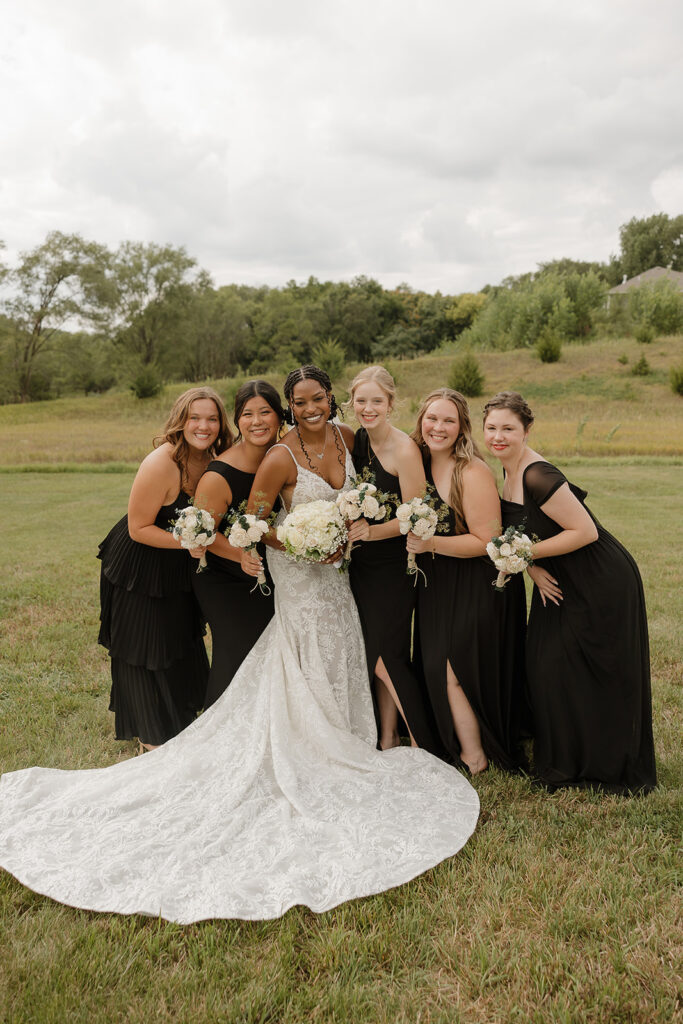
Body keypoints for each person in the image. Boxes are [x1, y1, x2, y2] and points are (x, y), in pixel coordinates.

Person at [0, 366, 479, 923]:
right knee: (297, 650)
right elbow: (251, 521)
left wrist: (348, 530)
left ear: (330, 400)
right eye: (298, 402)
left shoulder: (351, 441)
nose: (309, 409)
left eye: (315, 399)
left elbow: (374, 490)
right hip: (299, 572)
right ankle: (304, 740)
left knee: (341, 645)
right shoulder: (279, 455)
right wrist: (298, 540)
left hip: (338, 576)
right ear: (291, 409)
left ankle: (349, 734)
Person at [482, 391, 656, 794]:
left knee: (596, 670)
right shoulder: (507, 471)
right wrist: (533, 567)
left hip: (599, 578)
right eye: (491, 428)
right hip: (559, 579)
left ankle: (608, 763)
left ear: (526, 430)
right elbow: (523, 534)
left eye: (508, 428)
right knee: (550, 667)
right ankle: (567, 759)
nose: (498, 436)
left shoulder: (536, 474)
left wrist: (524, 557)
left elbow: (585, 532)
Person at [98, 386, 231, 750]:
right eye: (195, 418)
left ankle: (179, 726)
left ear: (221, 424)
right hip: (139, 566)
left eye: (212, 418)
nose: (203, 426)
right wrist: (189, 542)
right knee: (145, 648)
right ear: (181, 420)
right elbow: (138, 528)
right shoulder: (162, 462)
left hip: (178, 568)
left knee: (179, 645)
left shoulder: (215, 458)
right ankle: (152, 739)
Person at [408, 389, 529, 775]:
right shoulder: (416, 463)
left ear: (461, 427)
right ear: (421, 420)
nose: (438, 427)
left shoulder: (471, 471)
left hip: (476, 582)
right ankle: (446, 742)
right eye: (432, 418)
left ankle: (475, 756)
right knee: (432, 667)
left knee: (453, 671)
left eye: (448, 420)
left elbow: (486, 542)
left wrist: (430, 543)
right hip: (436, 583)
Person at [347, 365, 438, 753]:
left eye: (376, 401)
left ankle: (425, 742)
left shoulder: (405, 449)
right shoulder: (359, 443)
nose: (368, 408)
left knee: (389, 656)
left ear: (391, 403)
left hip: (396, 567)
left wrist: (371, 531)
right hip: (362, 567)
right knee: (378, 652)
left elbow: (417, 517)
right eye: (360, 400)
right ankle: (387, 735)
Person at [191, 380, 285, 708]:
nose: (256, 421)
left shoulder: (286, 457)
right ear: (237, 420)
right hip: (224, 576)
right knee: (237, 649)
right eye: (247, 414)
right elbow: (201, 531)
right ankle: (219, 729)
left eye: (265, 412)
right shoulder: (219, 475)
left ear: (279, 416)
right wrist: (239, 554)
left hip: (272, 570)